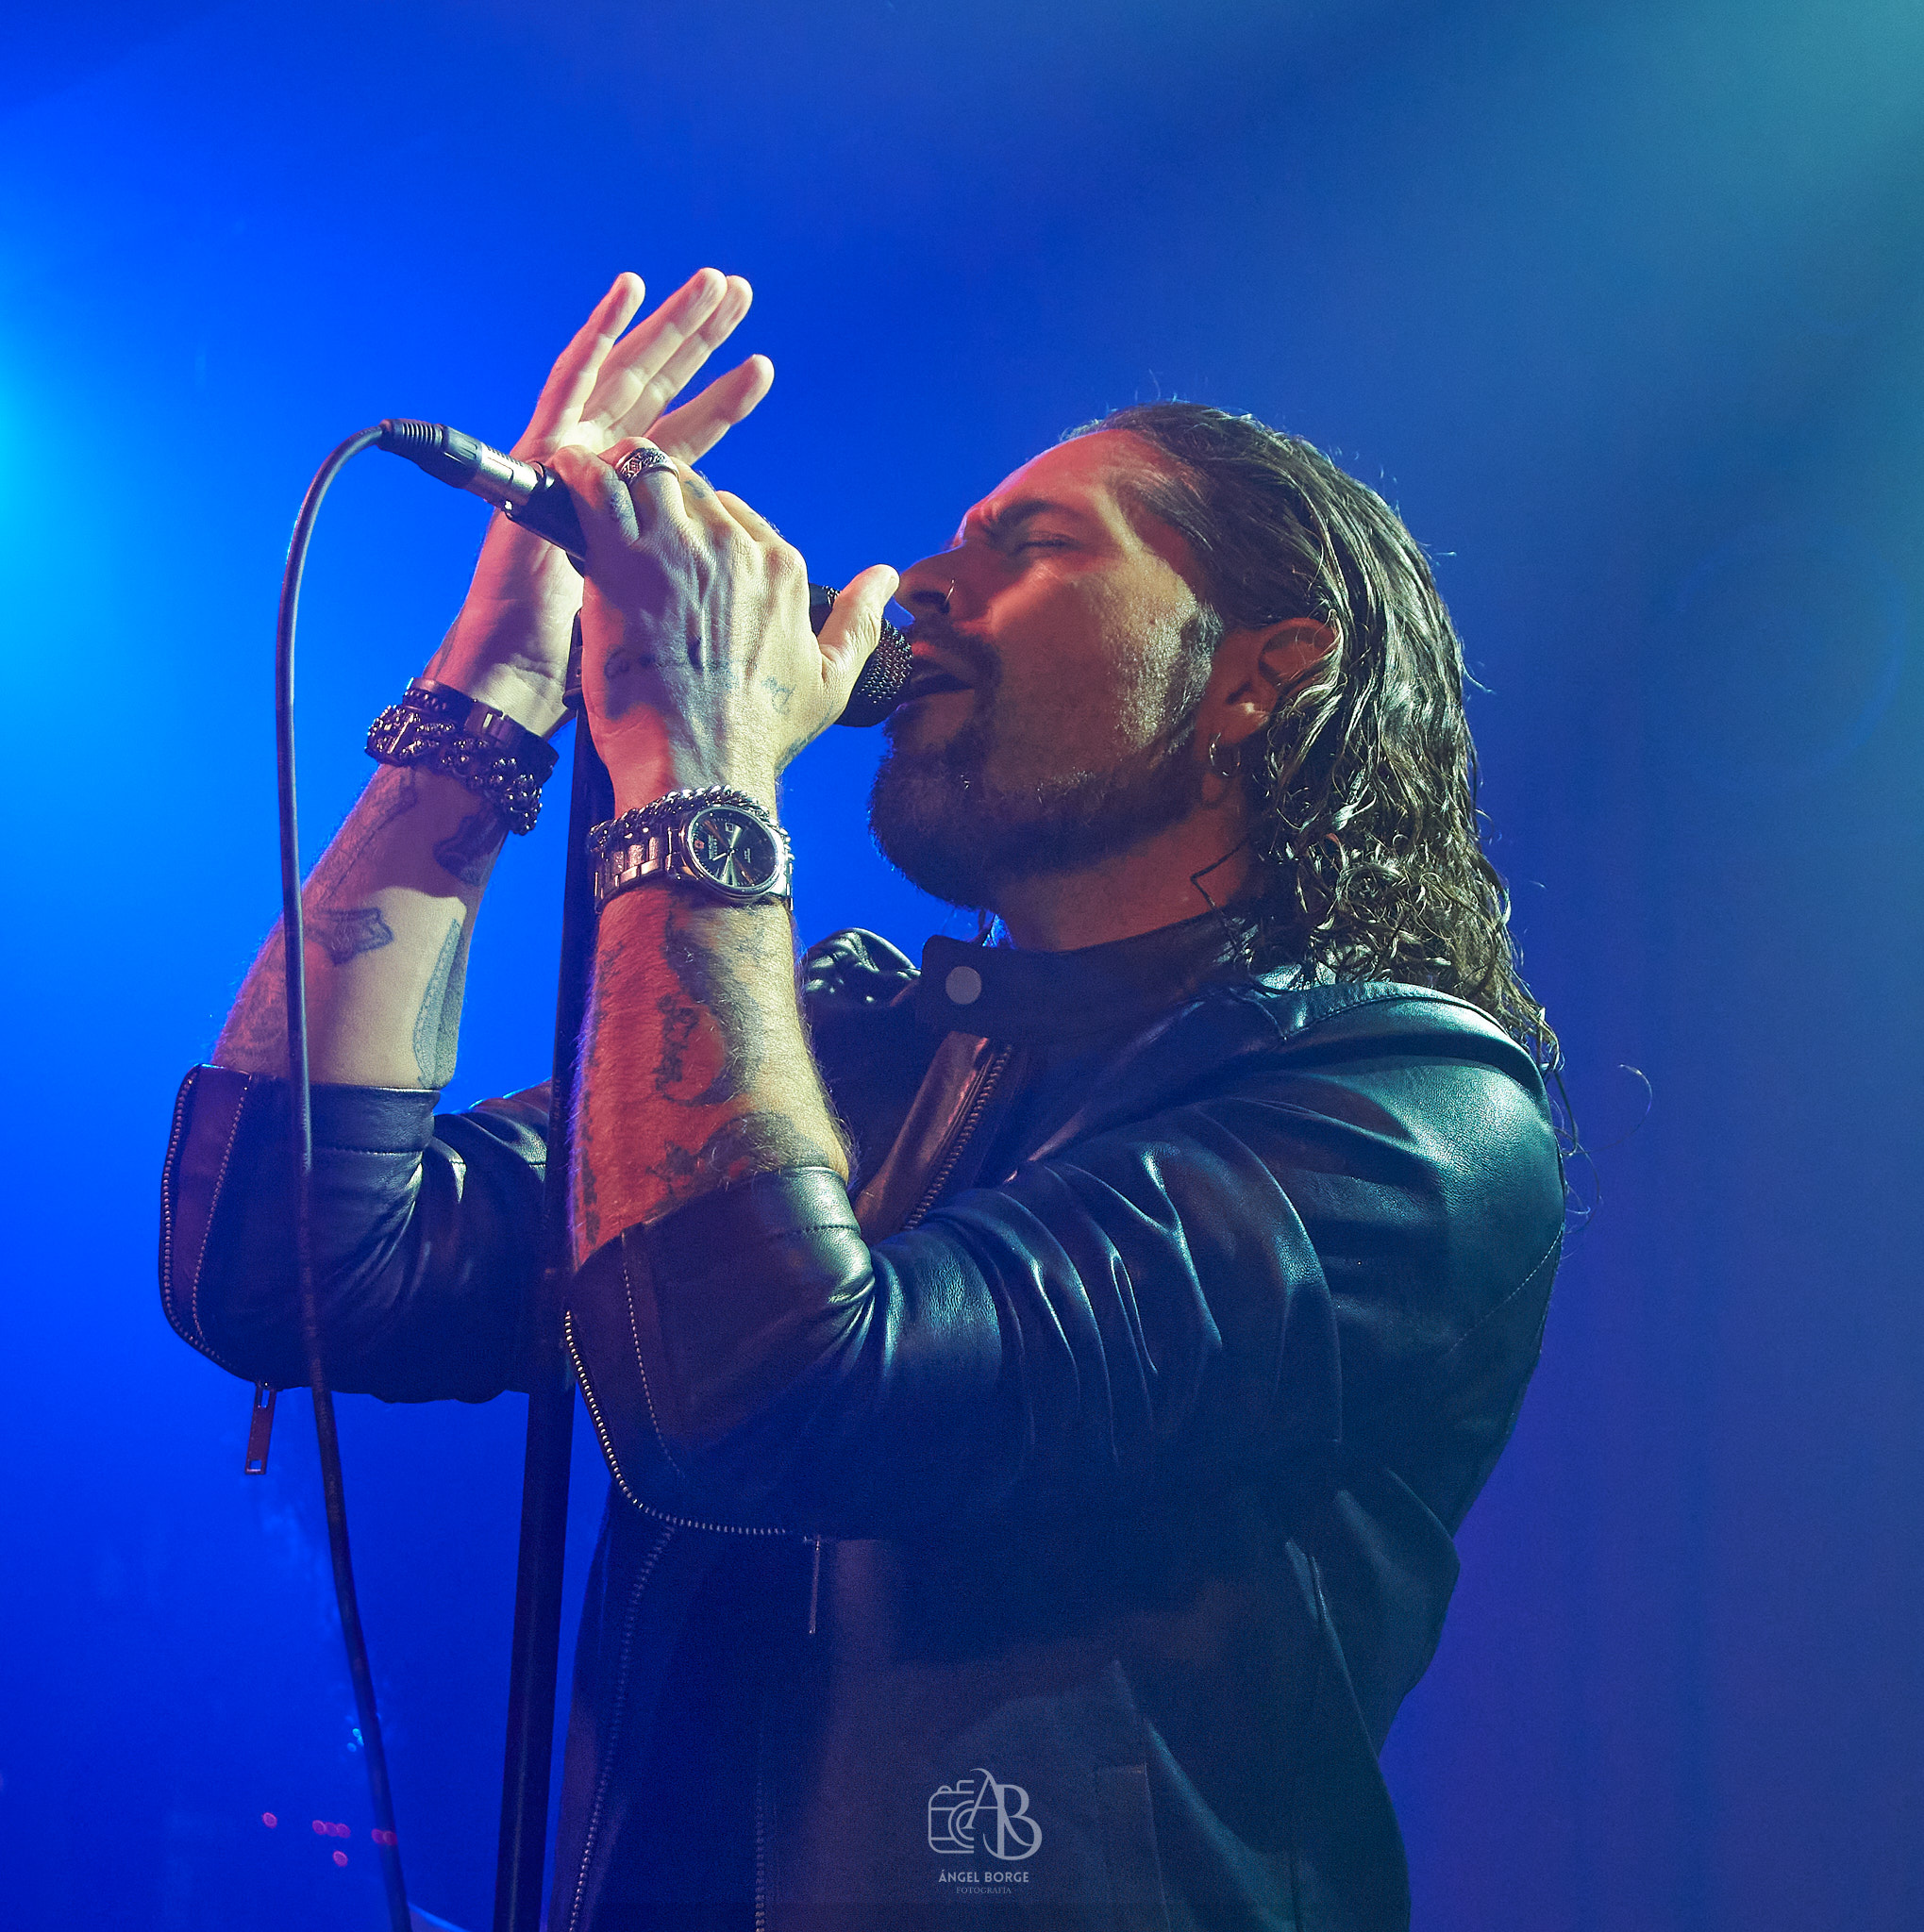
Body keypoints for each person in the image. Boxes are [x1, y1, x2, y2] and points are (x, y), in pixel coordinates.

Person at [161, 266, 1565, 1932]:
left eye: (1034, 547)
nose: (922, 586)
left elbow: (770, 1401)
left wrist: (701, 763)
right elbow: (292, 1269)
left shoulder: (1406, 1118)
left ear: (1261, 674)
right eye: (955, 540)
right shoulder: (852, 1040)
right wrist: (495, 690)